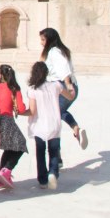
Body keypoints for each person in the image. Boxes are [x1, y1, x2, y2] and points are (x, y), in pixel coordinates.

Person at [23, 60, 76, 190]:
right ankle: (53, 172)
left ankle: (42, 180)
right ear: (46, 73)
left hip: (39, 126)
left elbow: (33, 110)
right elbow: (70, 97)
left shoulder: (32, 90)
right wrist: (71, 88)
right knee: (53, 151)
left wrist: (20, 112)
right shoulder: (56, 85)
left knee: (40, 153)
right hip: (54, 124)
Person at [39, 27, 88, 149]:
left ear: (49, 40)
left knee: (53, 120)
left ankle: (57, 158)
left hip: (63, 88)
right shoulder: (61, 50)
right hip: (64, 87)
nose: (41, 43)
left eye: (43, 40)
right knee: (58, 114)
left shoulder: (54, 52)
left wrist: (69, 86)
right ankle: (76, 128)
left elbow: (64, 69)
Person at [0, 64, 28, 189]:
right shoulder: (14, 88)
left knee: (9, 148)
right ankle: (6, 170)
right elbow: (21, 109)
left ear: (0, 75)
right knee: (21, 144)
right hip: (7, 120)